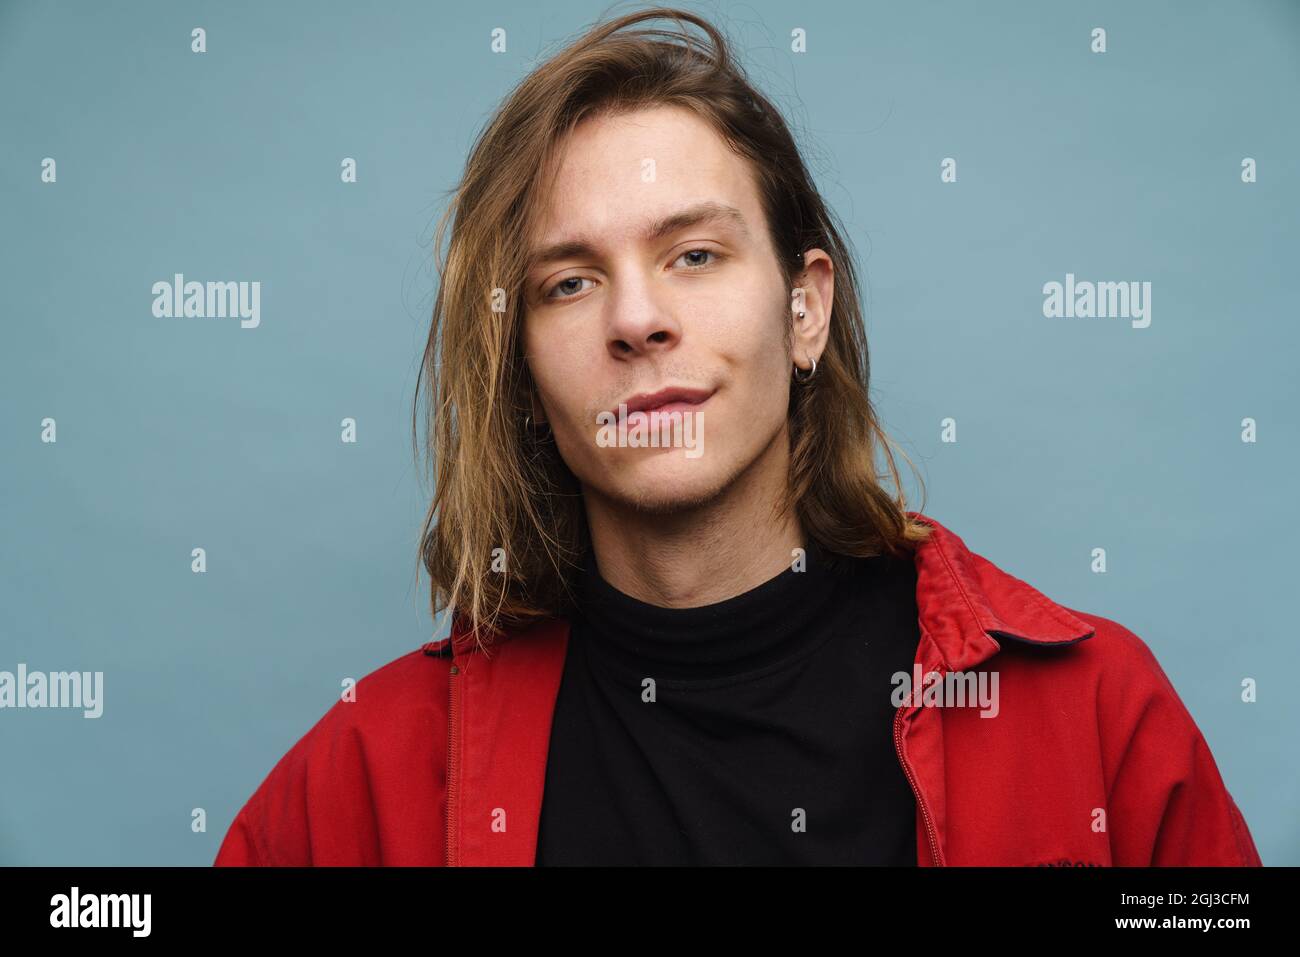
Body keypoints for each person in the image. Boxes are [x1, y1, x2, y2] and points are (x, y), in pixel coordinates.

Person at [214, 7, 1261, 867]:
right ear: (523, 372)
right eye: (568, 283)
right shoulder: (370, 773)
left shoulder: (1093, 715)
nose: (635, 320)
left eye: (696, 255)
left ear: (803, 311)